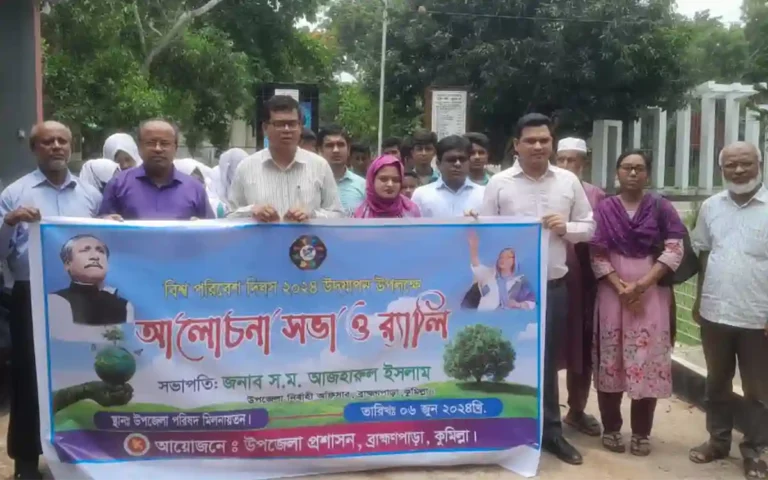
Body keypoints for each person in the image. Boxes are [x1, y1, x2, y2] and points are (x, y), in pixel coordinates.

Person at [480, 113, 595, 465]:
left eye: (544, 140)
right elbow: (484, 232)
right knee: (507, 356)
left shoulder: (568, 182)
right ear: (516, 145)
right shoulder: (499, 183)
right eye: (530, 140)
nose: (538, 146)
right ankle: (504, 429)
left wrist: (566, 228)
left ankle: (551, 432)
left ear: (552, 143)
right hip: (509, 291)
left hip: (553, 287)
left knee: (546, 361)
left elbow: (590, 227)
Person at [0, 121, 102, 480]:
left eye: (62, 141)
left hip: (81, 295)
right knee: (29, 377)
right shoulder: (15, 193)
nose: (56, 146)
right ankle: (27, 461)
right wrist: (9, 223)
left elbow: (103, 244)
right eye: (47, 142)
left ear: (70, 146)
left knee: (81, 370)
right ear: (35, 149)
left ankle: (80, 454)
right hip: (30, 294)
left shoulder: (90, 195)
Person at [589, 150, 686, 457]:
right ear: (617, 172)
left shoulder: (662, 207)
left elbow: (675, 250)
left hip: (652, 294)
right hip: (612, 294)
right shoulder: (604, 209)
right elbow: (596, 253)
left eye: (639, 168)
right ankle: (611, 428)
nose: (633, 173)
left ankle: (642, 433)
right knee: (611, 358)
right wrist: (622, 289)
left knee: (647, 360)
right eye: (627, 167)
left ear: (648, 174)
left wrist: (641, 286)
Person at [690, 141, 768, 480]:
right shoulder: (711, 207)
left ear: (759, 164)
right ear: (721, 169)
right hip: (715, 313)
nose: (738, 170)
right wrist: (699, 300)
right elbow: (704, 253)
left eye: (745, 163)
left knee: (758, 391)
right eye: (730, 165)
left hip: (759, 317)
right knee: (717, 383)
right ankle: (718, 441)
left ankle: (755, 451)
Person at [555, 137, 606, 438]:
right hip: (549, 282)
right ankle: (544, 414)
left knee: (581, 350)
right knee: (548, 348)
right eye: (561, 159)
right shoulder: (546, 190)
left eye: (571, 160)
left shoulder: (597, 196)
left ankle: (576, 410)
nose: (565, 165)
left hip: (584, 285)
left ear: (582, 163)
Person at [229, 95, 343, 222]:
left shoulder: (320, 166)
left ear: (300, 127)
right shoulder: (246, 168)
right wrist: (252, 211)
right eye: (280, 124)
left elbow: (338, 215)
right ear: (265, 128)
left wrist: (312, 215)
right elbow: (230, 216)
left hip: (306, 235)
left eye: (292, 124)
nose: (287, 130)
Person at [99, 119, 214, 220]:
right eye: (151, 143)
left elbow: (211, 230)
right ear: (139, 148)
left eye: (164, 143)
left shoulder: (195, 189)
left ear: (175, 148)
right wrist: (105, 220)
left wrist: (201, 226)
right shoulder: (118, 185)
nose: (158, 149)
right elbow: (101, 230)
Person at [48, 235, 133, 329]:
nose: (95, 257)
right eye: (85, 250)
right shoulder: (53, 301)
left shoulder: (124, 306)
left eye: (101, 251)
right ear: (68, 263)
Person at [411, 135, 484, 218]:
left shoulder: (483, 194)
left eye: (462, 159)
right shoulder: (421, 195)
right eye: (451, 160)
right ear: (438, 164)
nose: (457, 164)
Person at [465, 230, 536, 311]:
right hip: (485, 315)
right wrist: (473, 247)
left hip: (508, 317)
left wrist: (518, 304)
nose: (503, 259)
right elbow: (476, 265)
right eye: (501, 257)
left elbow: (531, 303)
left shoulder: (520, 281)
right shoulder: (488, 274)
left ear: (514, 260)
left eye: (507, 257)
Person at [353, 155, 421, 219]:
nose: (390, 184)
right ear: (372, 180)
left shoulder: (411, 210)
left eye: (395, 180)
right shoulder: (361, 214)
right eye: (383, 179)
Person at [318, 125, 365, 215]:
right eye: (329, 145)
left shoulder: (363, 186)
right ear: (320, 150)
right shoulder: (311, 183)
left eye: (340, 145)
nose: (336, 150)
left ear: (348, 149)